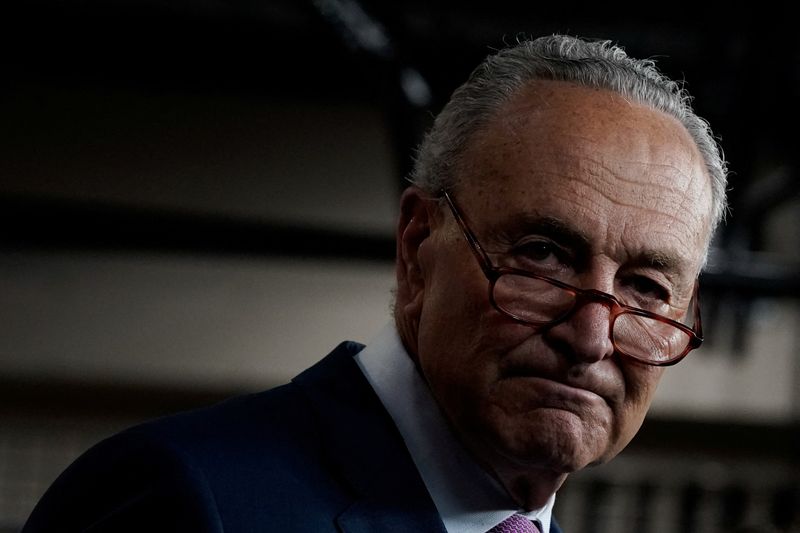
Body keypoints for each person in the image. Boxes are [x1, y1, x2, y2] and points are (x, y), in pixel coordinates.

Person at [22, 33, 727, 533]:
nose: (590, 334)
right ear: (419, 248)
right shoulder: (184, 499)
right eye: (543, 254)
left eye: (648, 289)